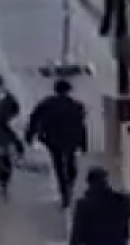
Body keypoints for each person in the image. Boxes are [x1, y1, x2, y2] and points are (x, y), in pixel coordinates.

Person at [26, 79, 88, 208]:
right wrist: (83, 144)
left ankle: (64, 191)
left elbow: (34, 118)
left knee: (58, 164)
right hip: (71, 138)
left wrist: (30, 135)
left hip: (52, 138)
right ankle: (69, 183)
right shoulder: (76, 105)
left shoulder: (46, 104)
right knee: (71, 162)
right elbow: (81, 126)